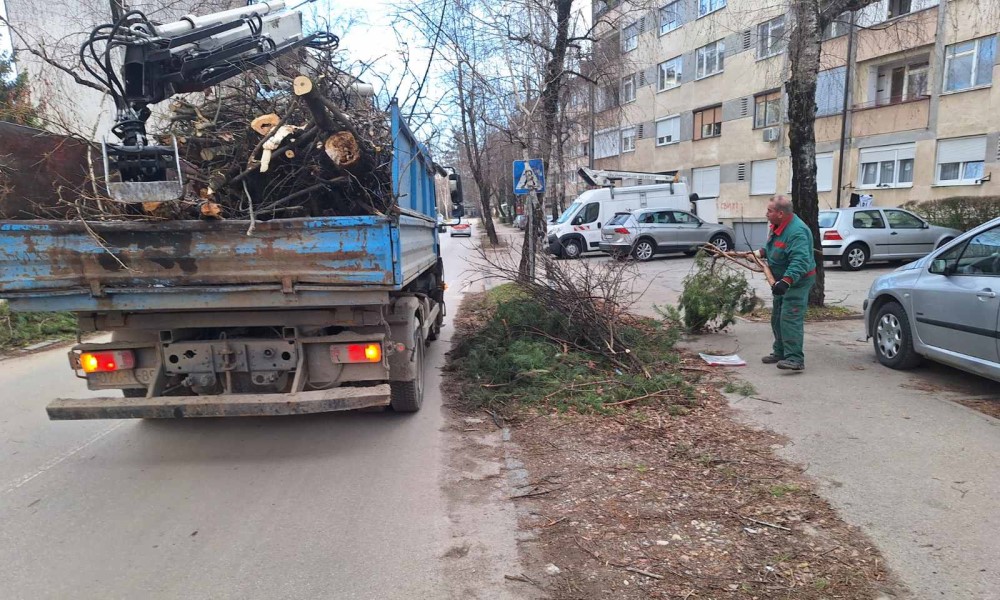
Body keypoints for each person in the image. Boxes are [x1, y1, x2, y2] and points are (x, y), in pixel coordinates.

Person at [740, 195, 816, 371]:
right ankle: (780, 352)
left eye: (769, 211)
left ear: (780, 213)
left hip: (797, 281)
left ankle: (795, 358)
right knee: (777, 317)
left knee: (790, 317)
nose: (766, 213)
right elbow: (775, 247)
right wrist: (760, 253)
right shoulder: (777, 226)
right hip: (781, 280)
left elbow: (800, 261)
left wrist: (786, 281)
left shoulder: (797, 232)